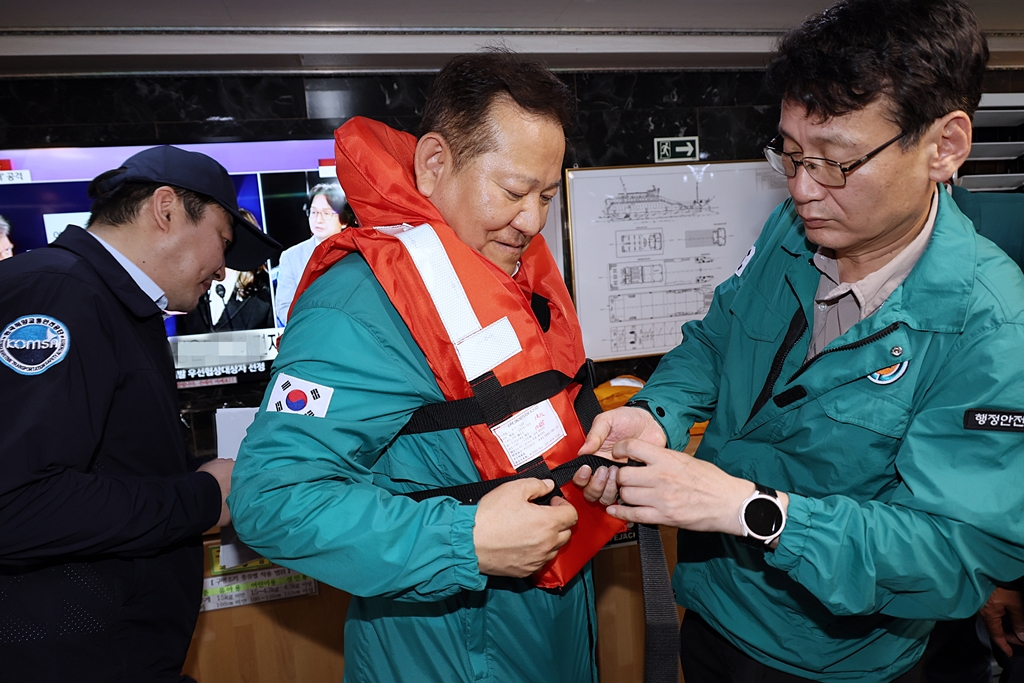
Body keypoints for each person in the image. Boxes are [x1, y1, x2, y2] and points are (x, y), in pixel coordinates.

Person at [580, 1, 1024, 681]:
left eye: (835, 162)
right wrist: (655, 412)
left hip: (831, 660)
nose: (802, 188)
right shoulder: (796, 229)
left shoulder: (991, 327)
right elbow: (716, 340)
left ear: (945, 147)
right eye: (788, 153)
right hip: (714, 610)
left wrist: (747, 507)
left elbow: (953, 554)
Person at [230, 50, 619, 683]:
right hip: (442, 654)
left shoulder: (509, 276)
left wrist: (586, 471)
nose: (534, 220)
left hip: (556, 638)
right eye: (516, 191)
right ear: (436, 162)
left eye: (548, 195)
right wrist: (462, 541)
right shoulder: (359, 305)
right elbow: (271, 500)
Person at [0, 145, 280, 682]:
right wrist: (203, 499)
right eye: (222, 240)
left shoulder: (115, 305)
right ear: (167, 209)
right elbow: (16, 500)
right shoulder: (57, 292)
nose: (223, 267)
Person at [273, 182, 355, 325]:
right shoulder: (291, 257)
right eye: (314, 212)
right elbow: (284, 308)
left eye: (327, 213)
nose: (318, 219)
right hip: (307, 334)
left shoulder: (356, 255)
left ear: (344, 220)